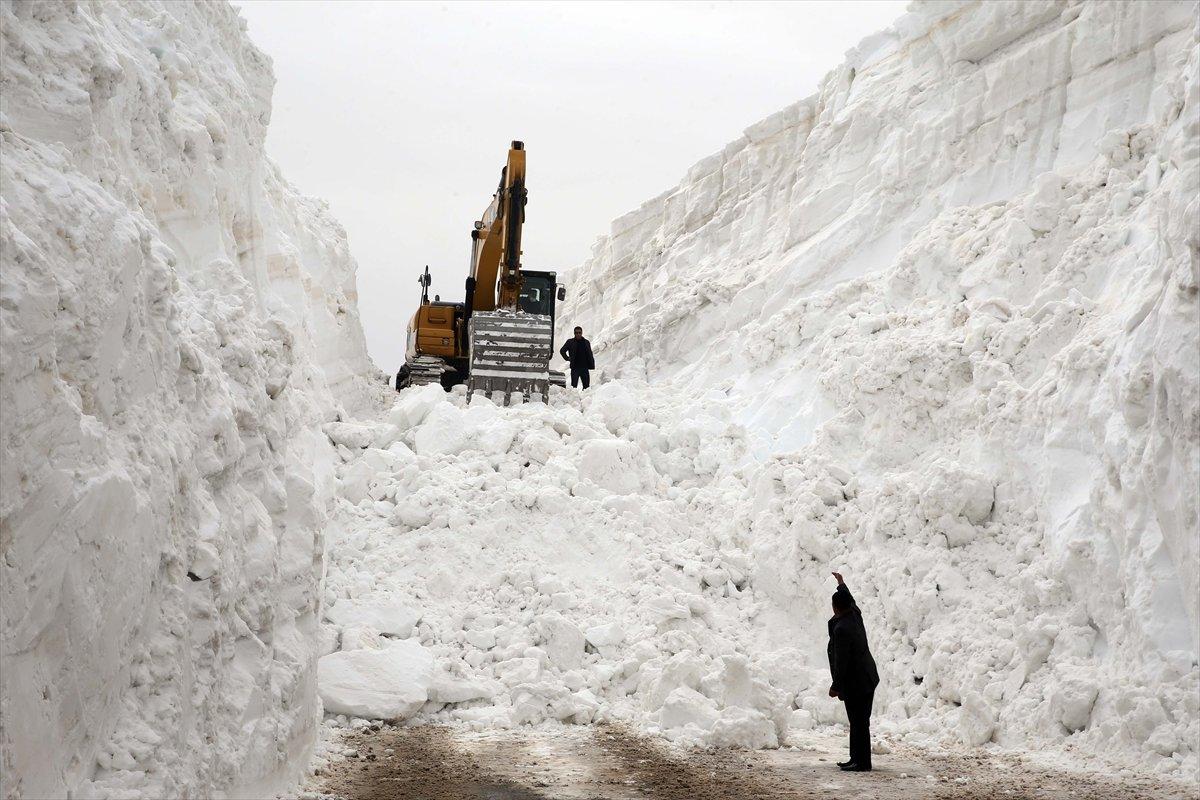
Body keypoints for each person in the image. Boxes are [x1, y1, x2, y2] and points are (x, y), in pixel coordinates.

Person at [827, 571, 880, 772]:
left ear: (835, 607)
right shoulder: (854, 614)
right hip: (867, 677)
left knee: (858, 721)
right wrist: (841, 584)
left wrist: (835, 687)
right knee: (858, 721)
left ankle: (862, 762)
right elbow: (850, 598)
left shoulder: (842, 629)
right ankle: (856, 758)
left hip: (857, 682)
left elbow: (842, 662)